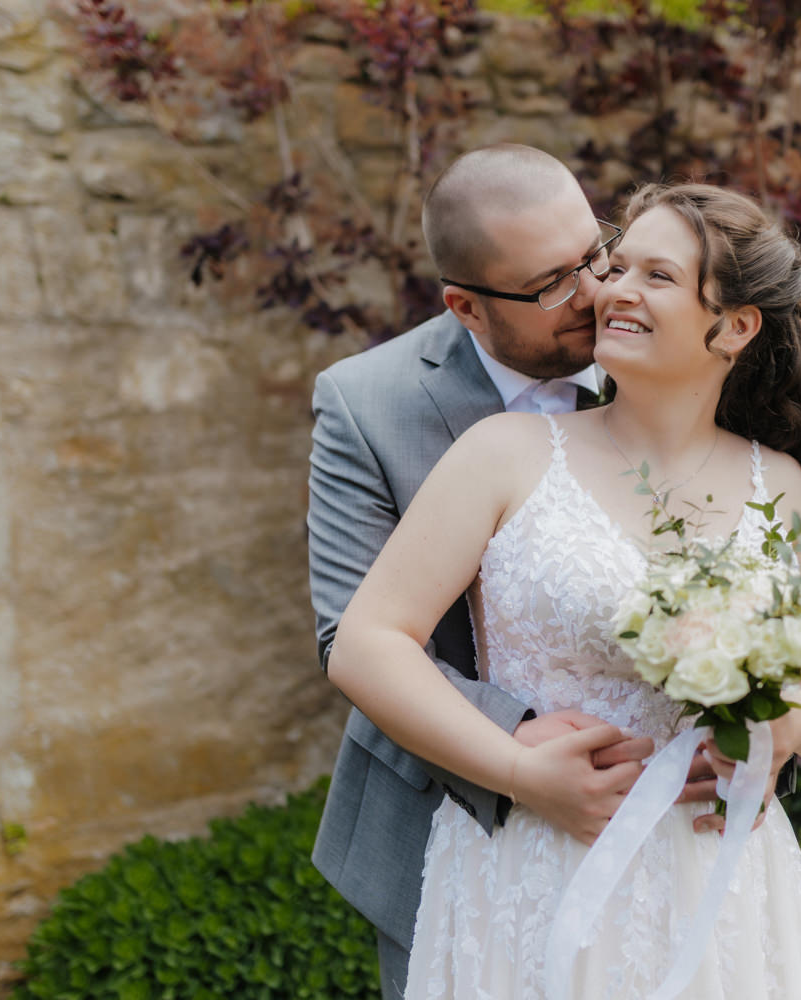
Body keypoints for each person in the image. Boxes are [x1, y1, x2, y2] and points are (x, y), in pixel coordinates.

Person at [328, 181, 801, 997]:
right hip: (533, 860)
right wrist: (517, 772)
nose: (615, 290)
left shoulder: (781, 486)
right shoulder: (504, 453)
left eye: (657, 276)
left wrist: (781, 732)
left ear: (735, 326)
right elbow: (366, 644)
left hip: (715, 871)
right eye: (616, 267)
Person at [309, 145, 718, 999]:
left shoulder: (667, 354)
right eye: (551, 285)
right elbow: (351, 633)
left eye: (596, 254)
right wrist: (517, 746)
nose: (597, 293)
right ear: (465, 305)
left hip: (681, 821)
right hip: (452, 817)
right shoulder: (365, 404)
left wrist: (755, 731)